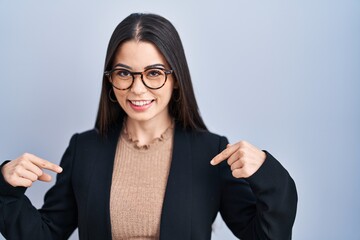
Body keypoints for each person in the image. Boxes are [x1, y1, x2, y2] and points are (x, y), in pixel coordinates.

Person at [0, 13, 297, 240]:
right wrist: (5, 188)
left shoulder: (212, 151)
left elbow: (265, 235)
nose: (137, 89)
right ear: (110, 80)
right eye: (124, 73)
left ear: (176, 77)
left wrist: (267, 172)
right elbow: (45, 233)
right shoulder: (84, 149)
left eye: (154, 73)